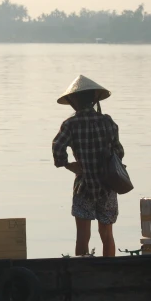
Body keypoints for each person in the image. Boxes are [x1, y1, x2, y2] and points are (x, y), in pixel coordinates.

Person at [52, 75, 124, 257]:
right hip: (107, 185)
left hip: (83, 186)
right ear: (94, 100)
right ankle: (109, 270)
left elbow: (57, 146)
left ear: (74, 101)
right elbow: (119, 151)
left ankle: (82, 272)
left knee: (83, 236)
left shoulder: (70, 124)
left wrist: (68, 165)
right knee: (107, 234)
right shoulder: (108, 122)